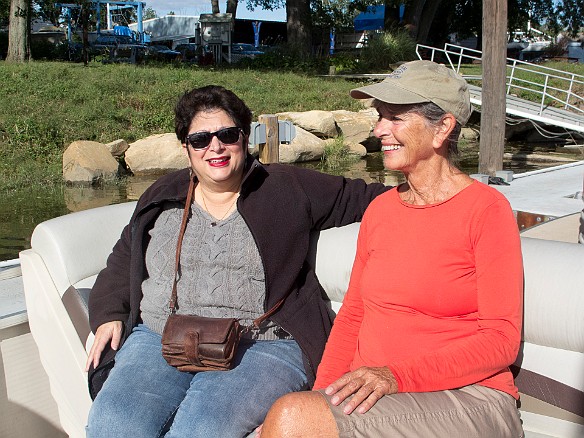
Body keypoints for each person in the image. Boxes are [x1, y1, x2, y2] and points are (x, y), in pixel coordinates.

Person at [84, 85, 388, 438]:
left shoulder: (287, 187)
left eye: (227, 135)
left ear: (244, 138)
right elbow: (126, 254)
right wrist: (108, 314)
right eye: (200, 139)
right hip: (160, 336)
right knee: (112, 423)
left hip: (261, 343)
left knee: (201, 430)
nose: (215, 147)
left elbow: (372, 199)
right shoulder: (163, 195)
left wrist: (444, 195)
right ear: (187, 148)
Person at [260, 60, 524, 437]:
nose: (379, 129)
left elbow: (500, 341)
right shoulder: (381, 210)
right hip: (376, 394)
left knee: (291, 419)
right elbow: (353, 316)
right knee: (291, 417)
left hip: (468, 397)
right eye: (380, 116)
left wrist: (395, 376)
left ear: (443, 128)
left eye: (395, 117)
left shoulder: (487, 210)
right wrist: (321, 398)